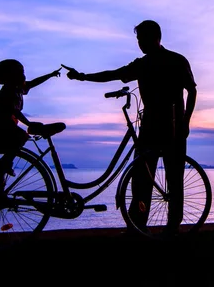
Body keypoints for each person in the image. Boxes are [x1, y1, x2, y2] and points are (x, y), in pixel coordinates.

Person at [62, 20, 197, 235]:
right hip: (153, 126)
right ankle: (138, 225)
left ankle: (171, 226)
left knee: (172, 178)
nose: (140, 44)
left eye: (142, 39)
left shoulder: (176, 61)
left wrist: (186, 121)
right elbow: (113, 74)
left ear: (155, 38)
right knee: (142, 178)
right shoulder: (143, 64)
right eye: (138, 40)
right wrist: (83, 77)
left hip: (173, 127)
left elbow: (192, 90)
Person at [0, 59, 62, 189]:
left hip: (4, 127)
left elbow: (33, 83)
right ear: (11, 76)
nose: (24, 76)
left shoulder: (18, 88)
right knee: (21, 137)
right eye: (20, 73)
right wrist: (29, 123)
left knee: (16, 141)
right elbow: (13, 110)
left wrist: (50, 75)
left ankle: (0, 172)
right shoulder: (9, 91)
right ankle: (1, 165)